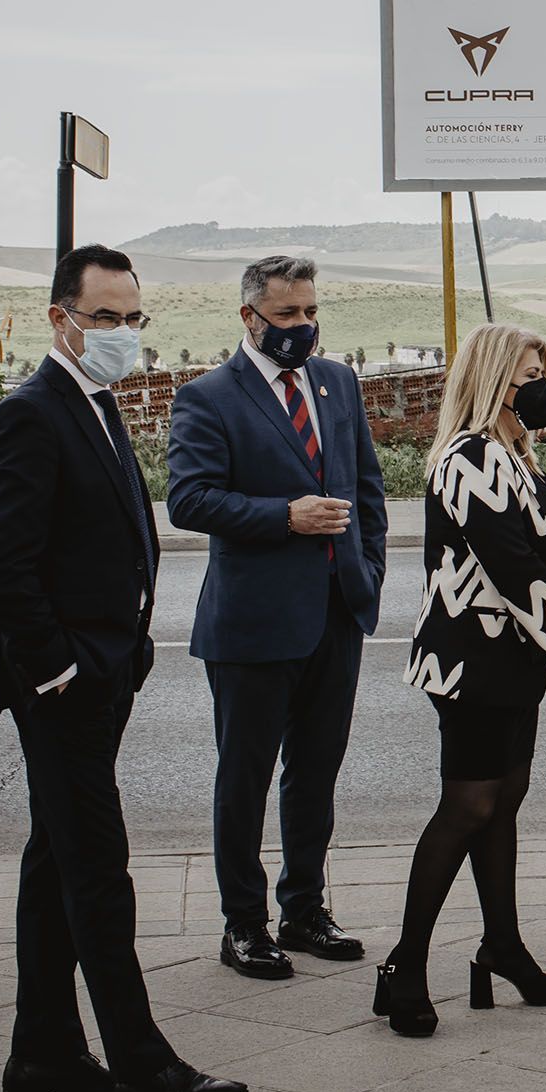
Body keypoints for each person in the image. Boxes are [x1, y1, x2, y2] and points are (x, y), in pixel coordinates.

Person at [0, 245, 244, 1092]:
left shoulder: (91, 402)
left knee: (56, 854)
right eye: (106, 318)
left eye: (134, 318)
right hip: (63, 684)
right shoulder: (32, 412)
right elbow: (3, 568)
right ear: (61, 320)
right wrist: (58, 670)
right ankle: (141, 1061)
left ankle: (43, 1049)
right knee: (97, 864)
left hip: (103, 669)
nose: (124, 334)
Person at [167, 254, 389, 978]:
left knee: (315, 772)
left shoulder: (338, 382)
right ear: (250, 317)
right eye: (287, 315)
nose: (303, 327)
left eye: (311, 312)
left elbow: (367, 488)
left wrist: (368, 572)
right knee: (246, 778)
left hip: (335, 611)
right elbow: (189, 500)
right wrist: (282, 516)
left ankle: (304, 909)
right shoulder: (209, 397)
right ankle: (244, 923)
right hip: (253, 622)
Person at [379, 326, 546, 1033]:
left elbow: (544, 546)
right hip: (472, 659)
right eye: (526, 373)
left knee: (505, 800)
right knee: (468, 806)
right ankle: (404, 964)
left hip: (514, 658)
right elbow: (506, 561)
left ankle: (502, 945)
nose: (541, 386)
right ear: (492, 380)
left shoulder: (516, 454)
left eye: (544, 371)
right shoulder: (469, 456)